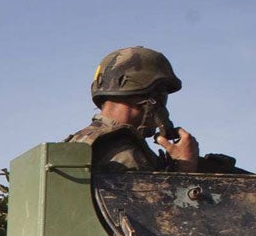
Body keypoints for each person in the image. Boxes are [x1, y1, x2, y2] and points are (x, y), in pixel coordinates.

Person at [66, 46, 203, 171]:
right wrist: (185, 165)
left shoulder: (82, 142)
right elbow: (157, 199)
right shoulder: (124, 154)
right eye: (162, 92)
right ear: (151, 96)